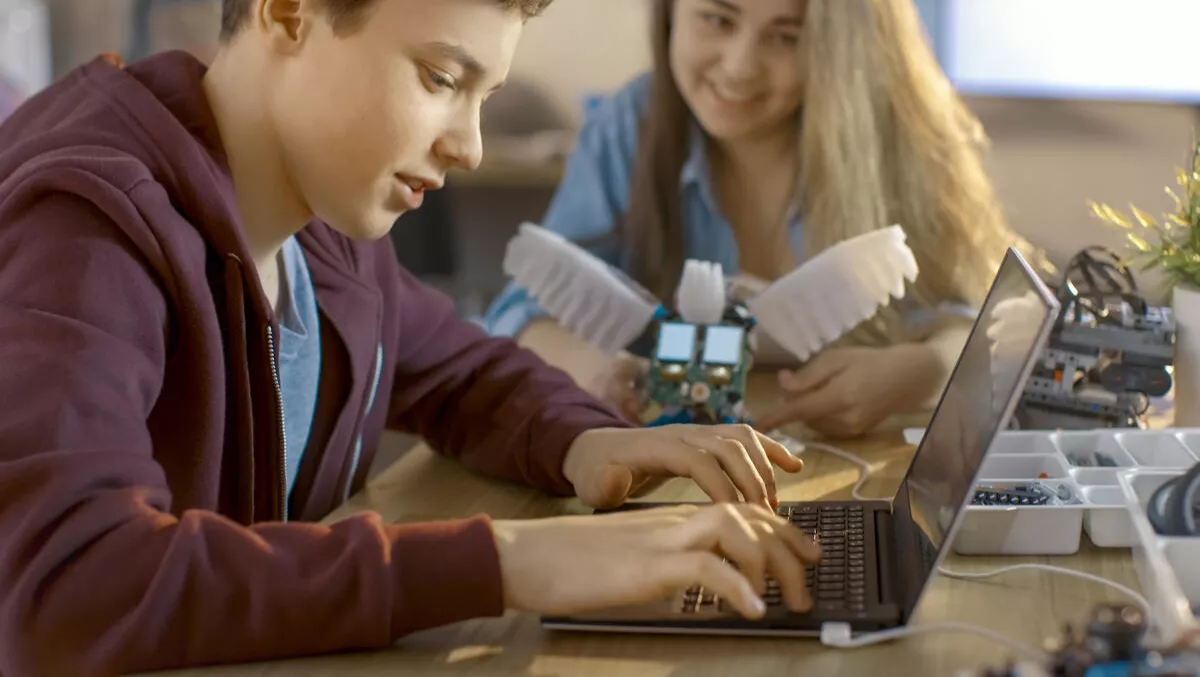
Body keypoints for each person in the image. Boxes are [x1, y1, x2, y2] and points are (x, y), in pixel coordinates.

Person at [0, 1, 823, 674]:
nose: (466, 145)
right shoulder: (83, 227)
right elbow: (67, 589)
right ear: (287, 14)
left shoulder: (321, 218)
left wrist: (589, 440)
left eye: (483, 97)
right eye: (440, 78)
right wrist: (511, 562)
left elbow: (458, 368)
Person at [483, 0, 1044, 438]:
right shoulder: (630, 126)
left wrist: (927, 371)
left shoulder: (902, 136)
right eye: (717, 18)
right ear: (670, 12)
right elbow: (518, 312)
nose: (740, 65)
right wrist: (597, 369)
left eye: (786, 36)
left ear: (837, 45)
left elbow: (1002, 323)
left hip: (853, 464)